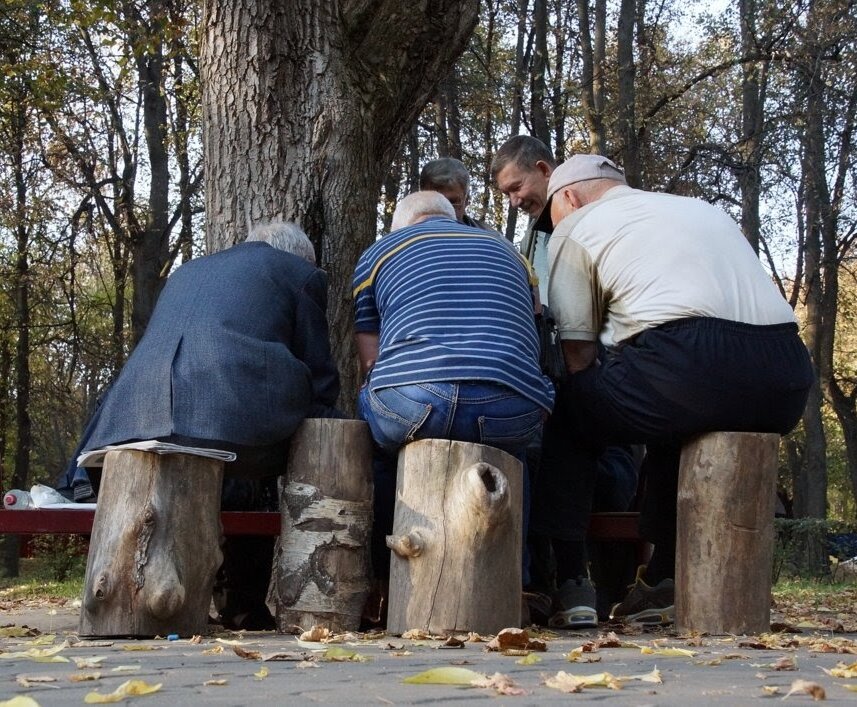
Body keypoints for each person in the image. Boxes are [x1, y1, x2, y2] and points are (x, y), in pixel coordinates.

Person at [544, 154, 813, 624]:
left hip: (688, 365)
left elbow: (578, 354)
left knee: (569, 410)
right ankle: (663, 576)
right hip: (785, 373)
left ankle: (571, 581)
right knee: (671, 421)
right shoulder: (703, 210)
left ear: (568, 197)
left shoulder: (575, 226)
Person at [59, 221, 341, 630]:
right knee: (267, 455)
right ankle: (243, 604)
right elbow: (319, 375)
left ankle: (170, 596)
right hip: (229, 414)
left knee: (221, 447)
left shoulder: (187, 271)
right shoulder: (301, 274)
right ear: (299, 257)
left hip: (131, 413)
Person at [353, 191, 555, 613]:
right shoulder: (512, 253)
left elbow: (371, 359)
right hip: (510, 406)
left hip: (415, 401)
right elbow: (533, 326)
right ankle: (520, 583)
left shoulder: (379, 253)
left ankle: (382, 580)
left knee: (375, 444)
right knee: (518, 460)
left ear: (402, 224)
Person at [492, 135, 609, 629]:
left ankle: (575, 580)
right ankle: (544, 582)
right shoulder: (531, 238)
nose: (515, 201)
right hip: (554, 365)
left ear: (544, 169)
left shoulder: (585, 216)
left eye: (517, 187)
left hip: (599, 361)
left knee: (568, 444)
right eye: (506, 196)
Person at [419, 157, 501, 234]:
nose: (444, 210)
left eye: (452, 202)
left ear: (466, 201)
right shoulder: (407, 235)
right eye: (436, 202)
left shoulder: (492, 239)